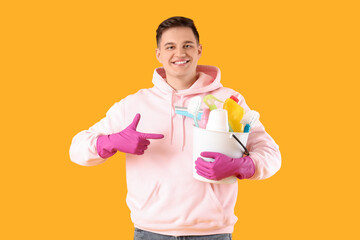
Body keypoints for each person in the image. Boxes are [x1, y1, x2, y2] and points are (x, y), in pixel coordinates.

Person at [70, 16, 281, 240]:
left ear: (199, 50)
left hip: (213, 233)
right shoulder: (133, 104)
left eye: (187, 45)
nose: (179, 53)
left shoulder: (229, 101)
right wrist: (110, 142)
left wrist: (243, 165)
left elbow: (272, 154)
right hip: (150, 232)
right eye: (170, 46)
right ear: (158, 54)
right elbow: (76, 149)